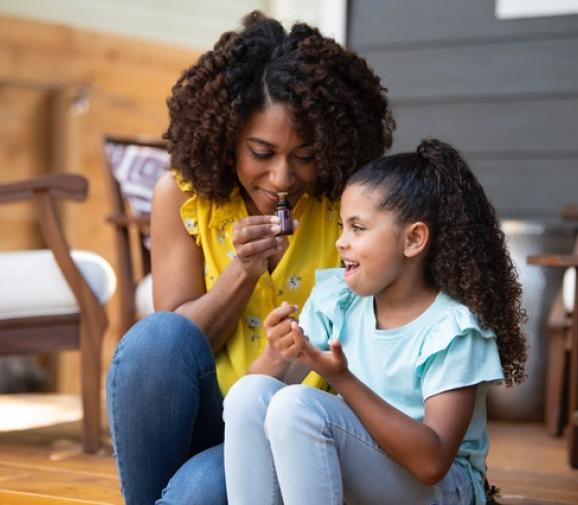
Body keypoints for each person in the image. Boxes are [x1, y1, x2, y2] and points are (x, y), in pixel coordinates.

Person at [106, 10, 394, 505]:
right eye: (262, 153)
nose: (283, 178)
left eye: (305, 155)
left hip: (294, 428)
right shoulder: (181, 198)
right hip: (206, 413)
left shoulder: (351, 201)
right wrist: (242, 271)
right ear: (225, 139)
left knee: (199, 492)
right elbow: (174, 350)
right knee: (155, 336)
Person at [223, 139, 528, 505]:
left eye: (358, 228)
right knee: (248, 393)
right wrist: (277, 352)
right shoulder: (338, 299)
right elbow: (256, 404)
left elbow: (432, 463)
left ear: (413, 239)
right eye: (341, 227)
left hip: (444, 489)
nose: (340, 242)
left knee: (298, 406)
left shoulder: (453, 329)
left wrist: (342, 379)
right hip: (373, 469)